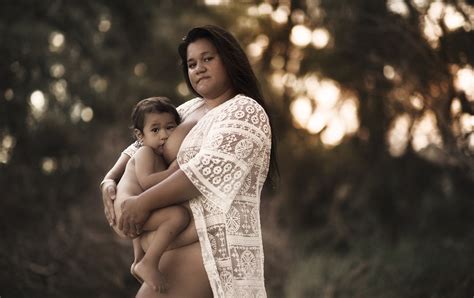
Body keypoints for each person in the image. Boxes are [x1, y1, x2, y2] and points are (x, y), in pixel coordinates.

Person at [100, 24, 278, 298]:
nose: (199, 68)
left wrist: (142, 203)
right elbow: (139, 144)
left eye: (208, 58)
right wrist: (110, 178)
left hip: (212, 246)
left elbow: (202, 173)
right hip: (172, 242)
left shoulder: (244, 110)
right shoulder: (189, 108)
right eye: (192, 63)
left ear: (229, 59)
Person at [111, 97, 189, 292]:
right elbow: (147, 182)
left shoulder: (156, 154)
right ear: (140, 136)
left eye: (170, 128)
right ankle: (149, 262)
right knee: (178, 216)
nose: (164, 135)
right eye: (155, 130)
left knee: (154, 207)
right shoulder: (145, 152)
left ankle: (138, 260)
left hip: (131, 207)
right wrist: (174, 171)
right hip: (127, 210)